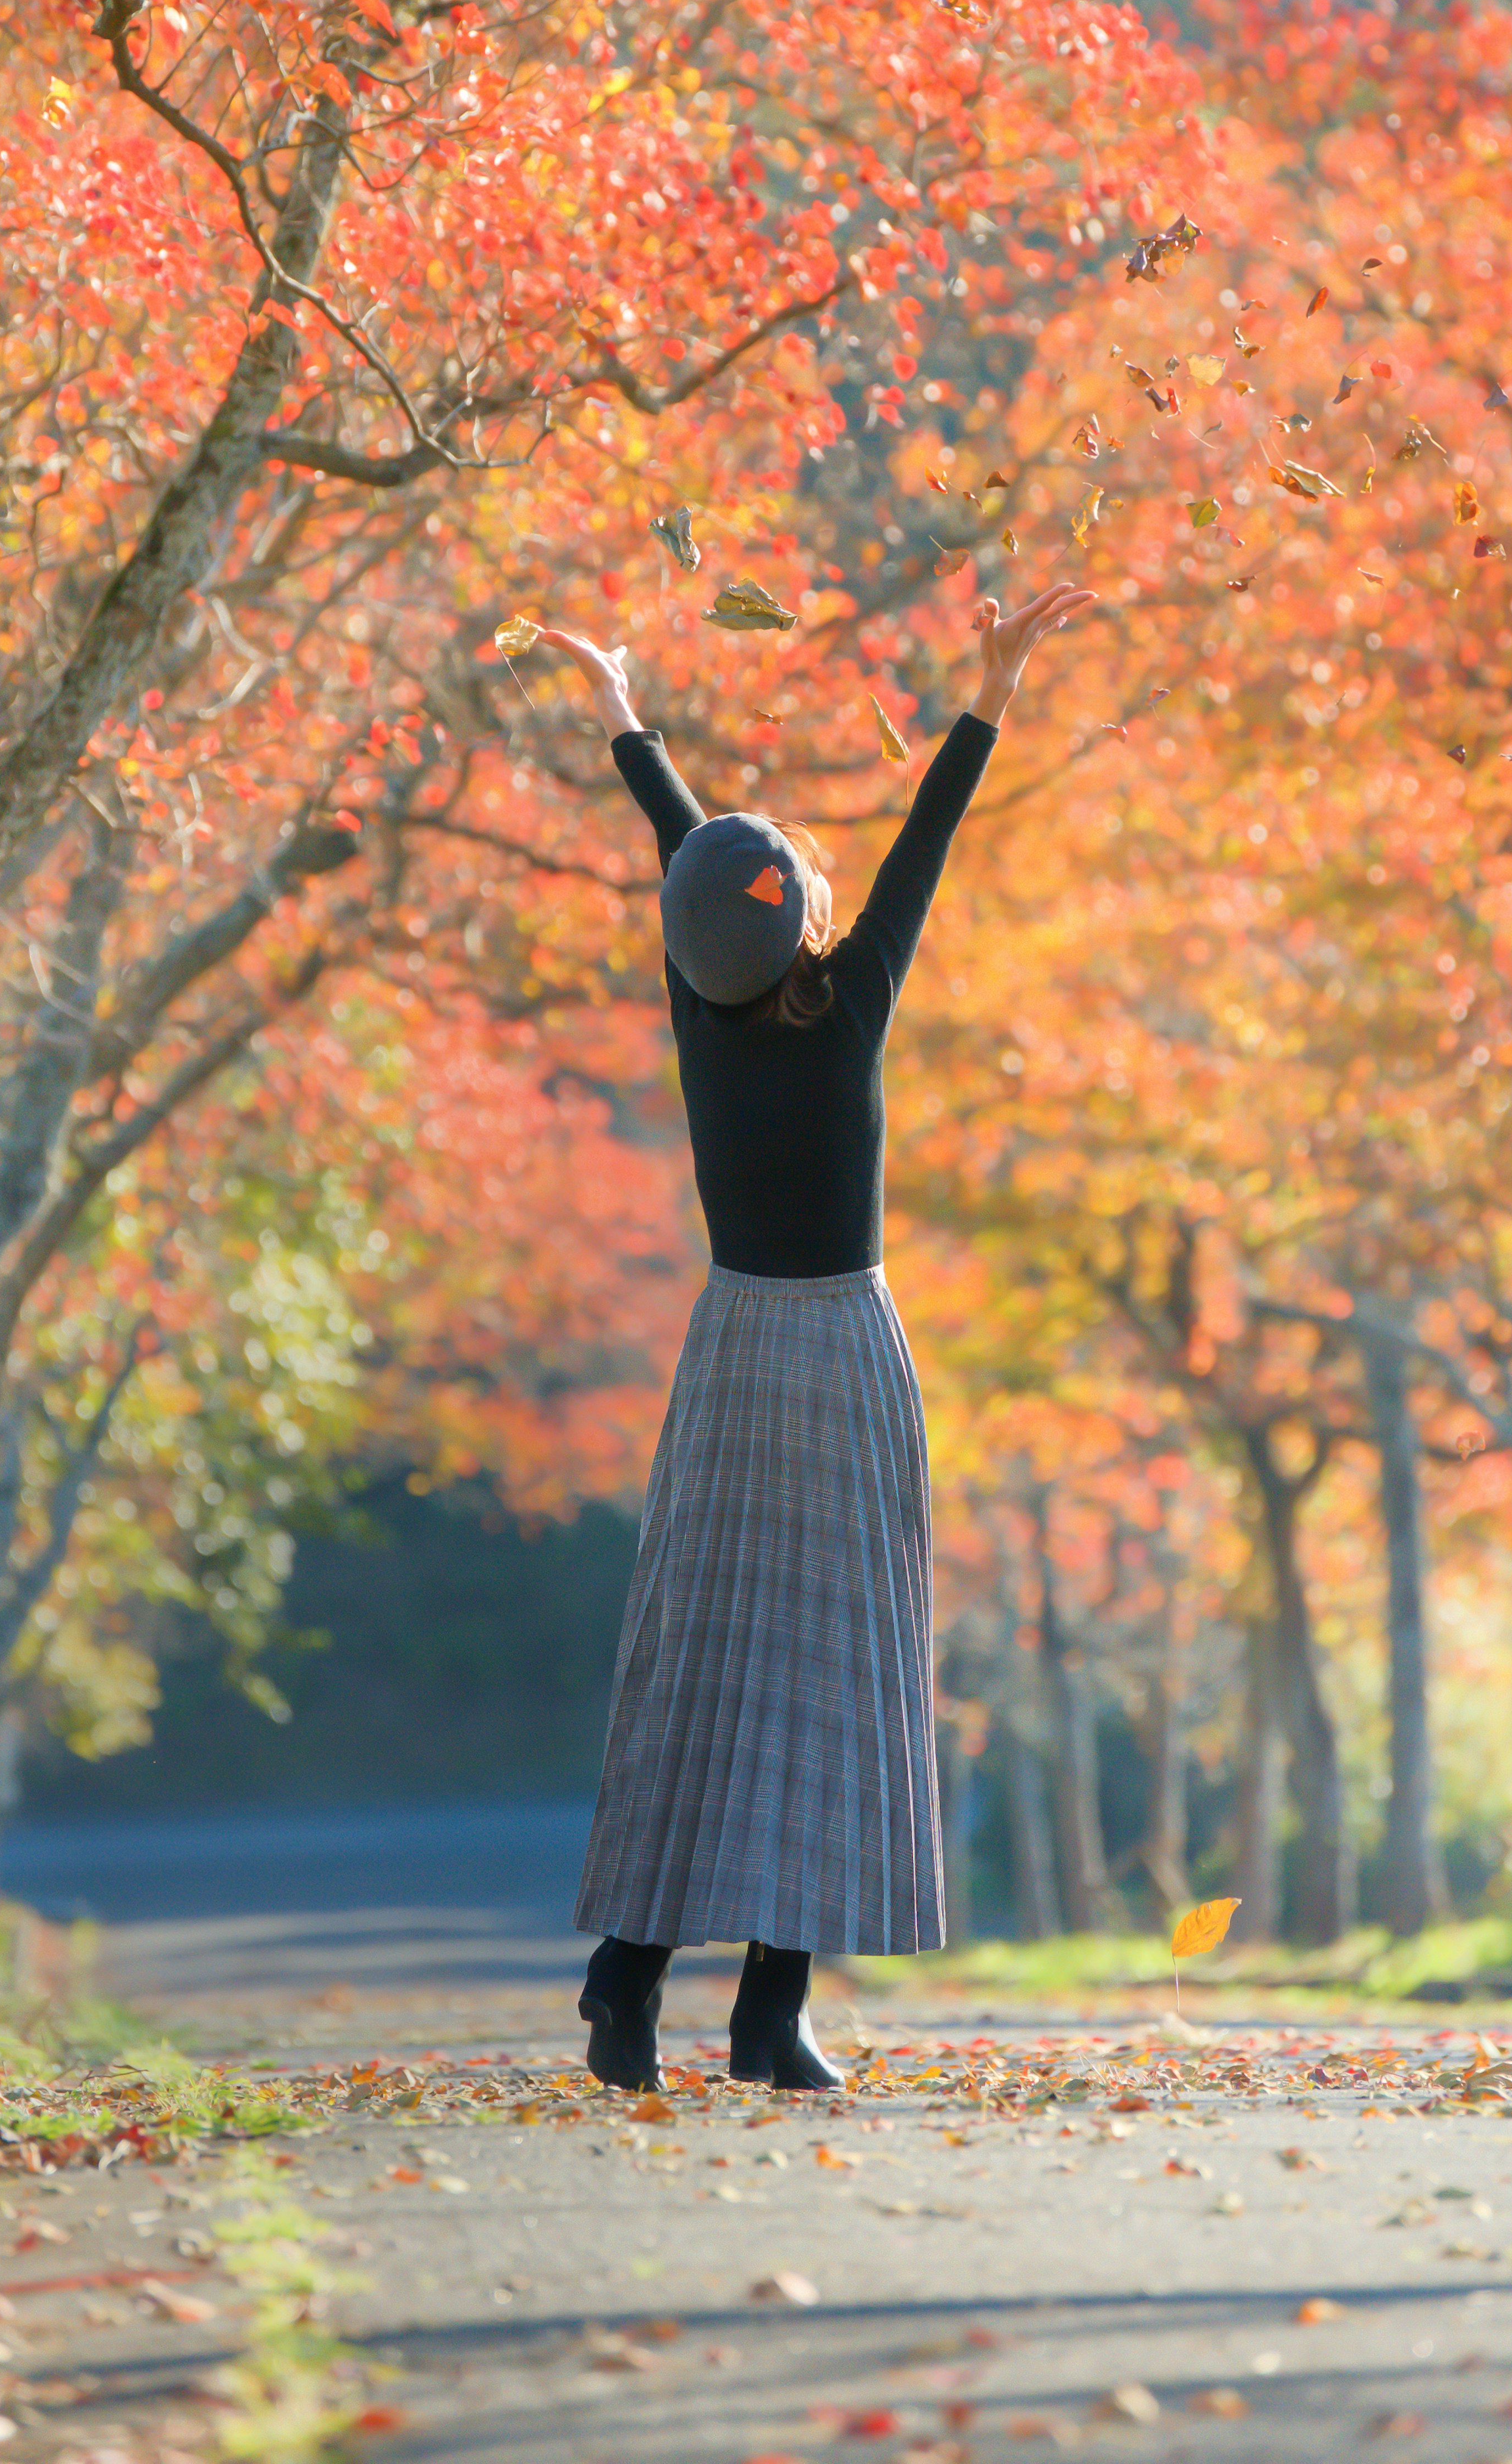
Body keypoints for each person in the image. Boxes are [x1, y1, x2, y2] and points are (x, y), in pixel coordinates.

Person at [534, 585, 1096, 2094]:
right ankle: (770, 2018)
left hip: (729, 1362)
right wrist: (992, 685)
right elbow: (927, 843)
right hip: (845, 1357)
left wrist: (625, 717)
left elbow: (684, 854)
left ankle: (626, 1982)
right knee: (828, 1673)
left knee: (709, 1662)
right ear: (811, 922)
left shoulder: (696, 1006)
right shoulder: (848, 1007)